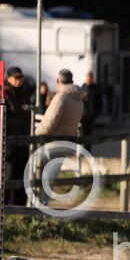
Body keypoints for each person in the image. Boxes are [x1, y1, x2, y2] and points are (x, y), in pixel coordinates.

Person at [35, 69, 85, 203]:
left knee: (40, 174)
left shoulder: (61, 97)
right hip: (68, 142)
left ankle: (38, 205)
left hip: (52, 142)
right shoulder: (79, 100)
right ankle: (44, 203)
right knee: (51, 176)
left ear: (58, 81)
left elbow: (49, 122)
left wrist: (35, 135)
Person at [0, 67, 30, 205]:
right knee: (7, 173)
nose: (19, 80)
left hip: (22, 140)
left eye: (20, 77)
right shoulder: (2, 95)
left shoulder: (24, 94)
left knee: (21, 172)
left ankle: (19, 205)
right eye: (16, 78)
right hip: (8, 141)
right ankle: (3, 204)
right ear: (9, 78)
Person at [80, 71, 102, 151]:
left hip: (92, 115)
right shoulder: (82, 89)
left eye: (90, 79)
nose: (88, 80)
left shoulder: (96, 89)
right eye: (87, 78)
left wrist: (98, 112)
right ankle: (82, 149)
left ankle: (88, 149)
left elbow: (99, 102)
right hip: (83, 116)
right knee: (83, 133)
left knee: (90, 133)